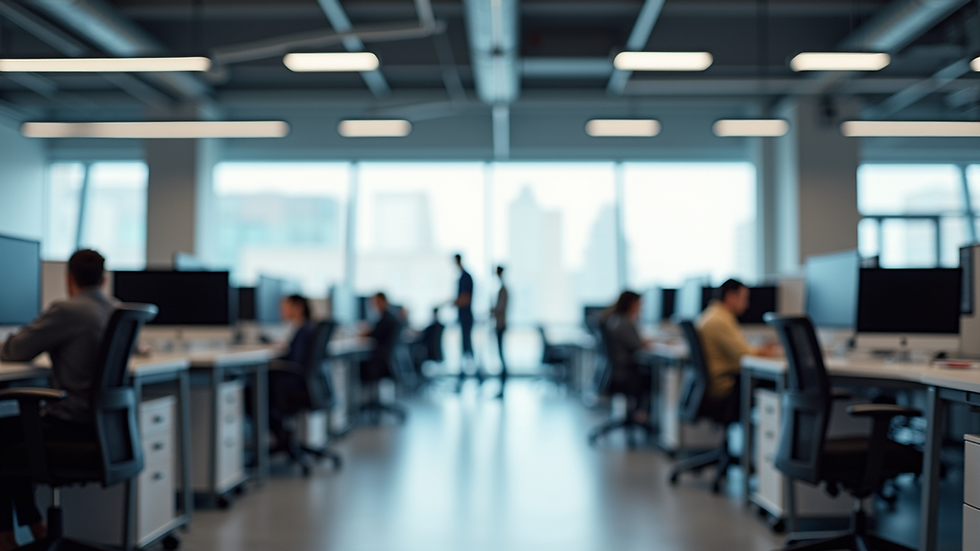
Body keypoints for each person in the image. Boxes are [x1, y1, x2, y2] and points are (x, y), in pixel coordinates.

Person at [0, 250, 114, 551]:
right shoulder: (114, 310)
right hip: (102, 427)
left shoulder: (69, 310)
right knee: (14, 434)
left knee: (5, 434)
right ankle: (33, 526)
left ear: (68, 279)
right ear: (103, 279)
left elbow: (15, 351)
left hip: (69, 423)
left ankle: (8, 537)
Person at [696, 279, 779, 419]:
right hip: (725, 386)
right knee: (773, 384)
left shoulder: (711, 314)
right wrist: (773, 351)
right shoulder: (719, 320)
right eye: (744, 298)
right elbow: (746, 355)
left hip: (716, 382)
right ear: (730, 296)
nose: (747, 305)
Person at [268, 294, 315, 449]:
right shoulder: (306, 328)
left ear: (298, 308)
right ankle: (282, 434)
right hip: (302, 383)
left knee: (253, 393)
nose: (282, 311)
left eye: (285, 307)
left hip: (292, 384)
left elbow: (294, 363)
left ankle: (281, 434)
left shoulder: (303, 331)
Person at [603, 291, 654, 423]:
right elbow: (638, 345)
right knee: (651, 376)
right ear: (632, 304)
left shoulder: (615, 320)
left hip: (617, 371)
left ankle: (639, 414)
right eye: (639, 304)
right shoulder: (625, 322)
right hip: (625, 374)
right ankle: (641, 414)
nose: (641, 308)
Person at [451, 254, 482, 391]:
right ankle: (466, 378)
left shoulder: (466, 277)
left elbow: (465, 299)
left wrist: (452, 303)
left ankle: (475, 377)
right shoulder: (463, 277)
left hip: (466, 318)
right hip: (464, 318)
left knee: (467, 348)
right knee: (466, 349)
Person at [360, 293, 401, 383]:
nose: (374, 305)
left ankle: (363, 394)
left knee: (359, 362)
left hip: (380, 359)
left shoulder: (386, 319)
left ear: (383, 302)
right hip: (386, 357)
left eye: (376, 302)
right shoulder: (390, 317)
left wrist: (364, 333)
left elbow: (375, 334)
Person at [491, 266, 509, 399]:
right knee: (500, 356)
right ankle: (501, 387)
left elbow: (499, 308)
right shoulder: (501, 289)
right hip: (499, 325)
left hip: (501, 326)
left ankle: (503, 388)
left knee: (502, 357)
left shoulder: (503, 290)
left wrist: (492, 310)